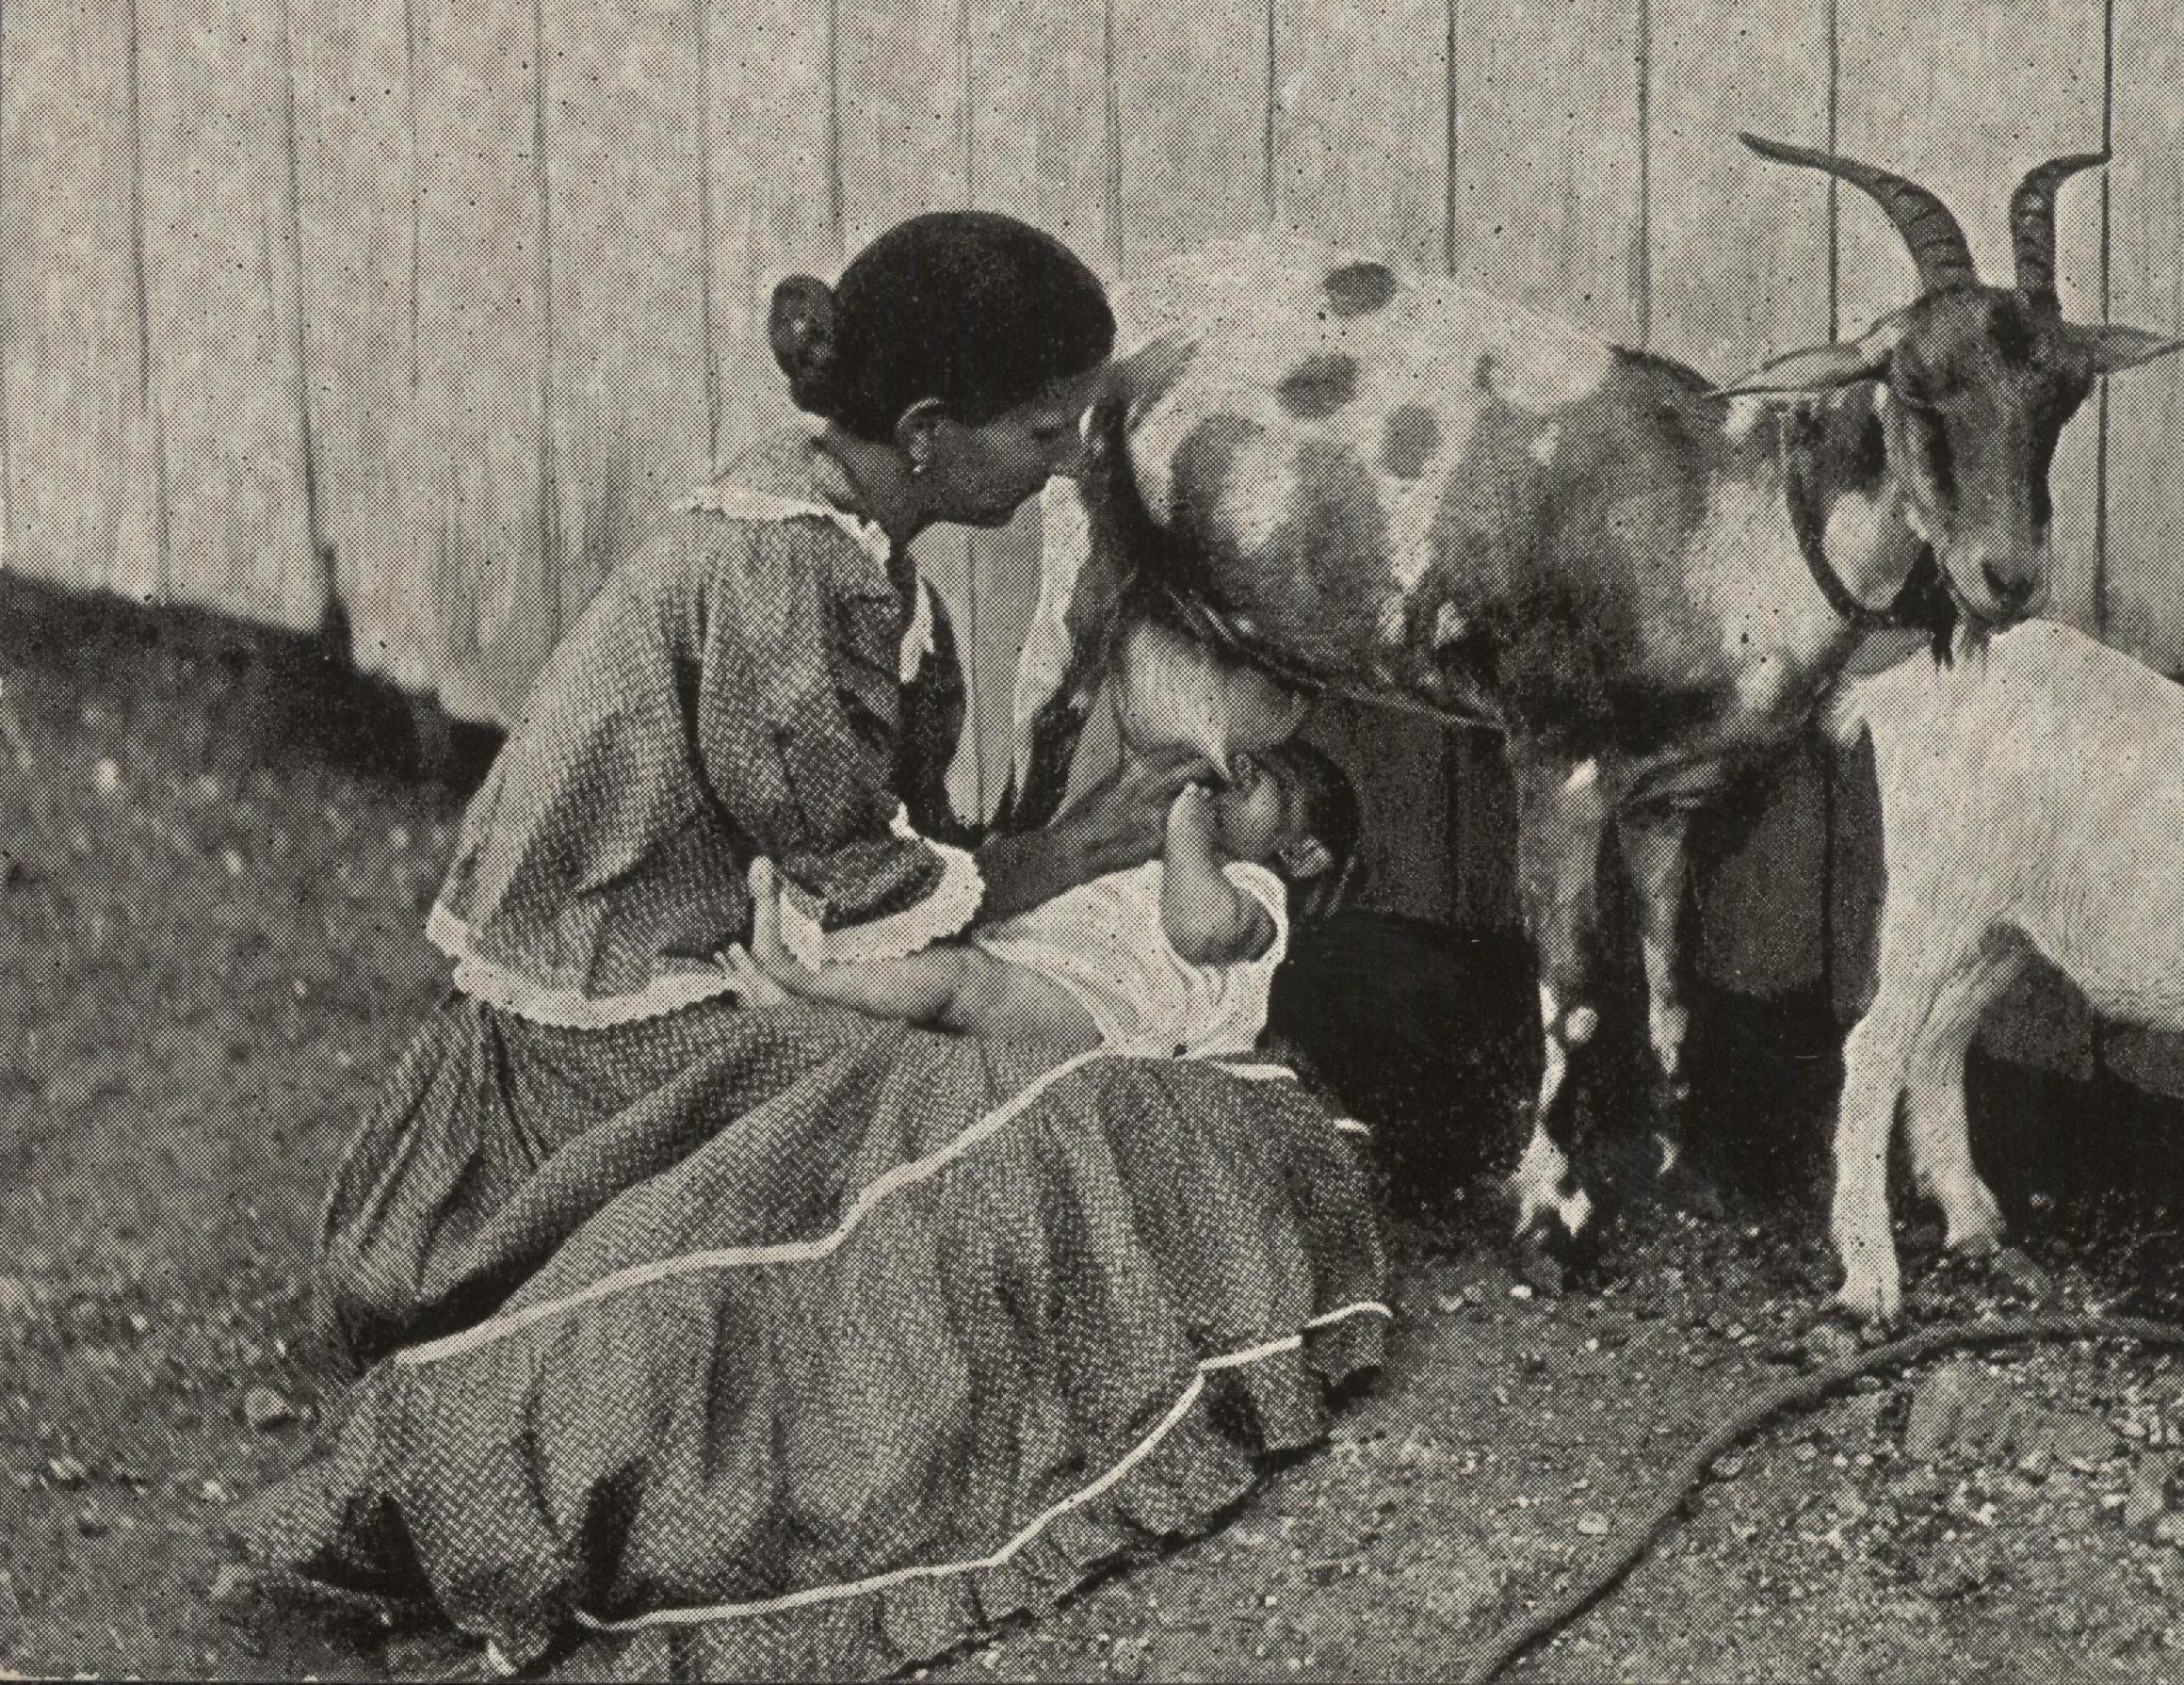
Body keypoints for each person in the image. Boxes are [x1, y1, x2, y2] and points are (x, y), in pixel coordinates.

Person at [241, 214, 1387, 1681]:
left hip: (693, 961)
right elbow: (862, 896)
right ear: (925, 432)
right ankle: (485, 1463)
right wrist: (1075, 853)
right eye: (1041, 433)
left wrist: (1082, 847)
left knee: (1029, 1108)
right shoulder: (798, 584)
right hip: (622, 1032)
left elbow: (851, 850)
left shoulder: (823, 525)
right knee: (1067, 1134)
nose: (1060, 466)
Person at [733, 742, 1361, 1061]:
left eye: (1262, 783)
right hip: (1053, 973)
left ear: (1302, 853)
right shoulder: (1178, 858)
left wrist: (1186, 826)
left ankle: (796, 978)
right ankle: (811, 988)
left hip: (1109, 1018)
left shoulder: (1259, 894)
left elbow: (1199, 931)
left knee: (961, 982)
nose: (1231, 780)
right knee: (939, 970)